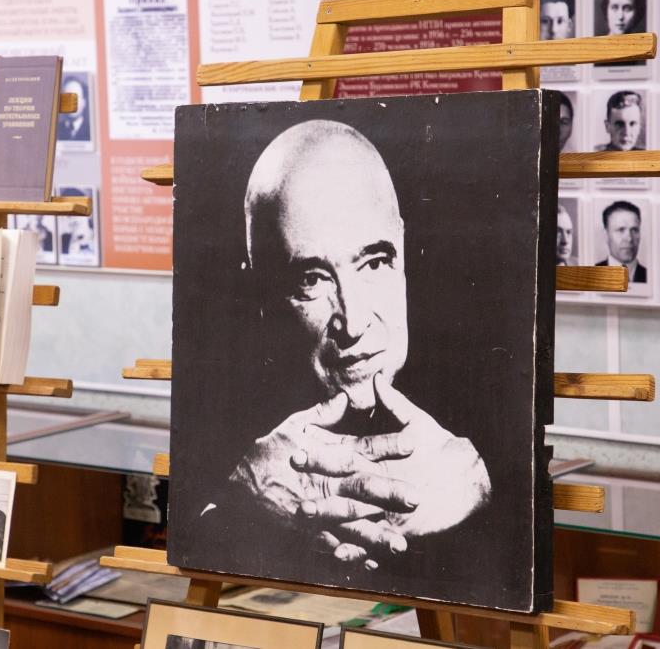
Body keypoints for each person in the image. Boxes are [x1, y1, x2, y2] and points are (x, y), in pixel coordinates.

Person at [196, 120, 491, 572]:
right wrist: (240, 505)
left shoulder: (477, 446)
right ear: (260, 294)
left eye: (374, 263)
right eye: (312, 279)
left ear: (403, 250)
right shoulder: (234, 462)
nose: (353, 322)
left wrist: (483, 497)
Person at [596, 201, 647, 283]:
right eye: (621, 230)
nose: (629, 238)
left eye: (634, 230)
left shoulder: (651, 275)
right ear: (606, 235)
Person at [57, 76, 90, 141]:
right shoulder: (55, 130)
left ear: (84, 102)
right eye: (67, 96)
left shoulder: (91, 131)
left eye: (76, 97)